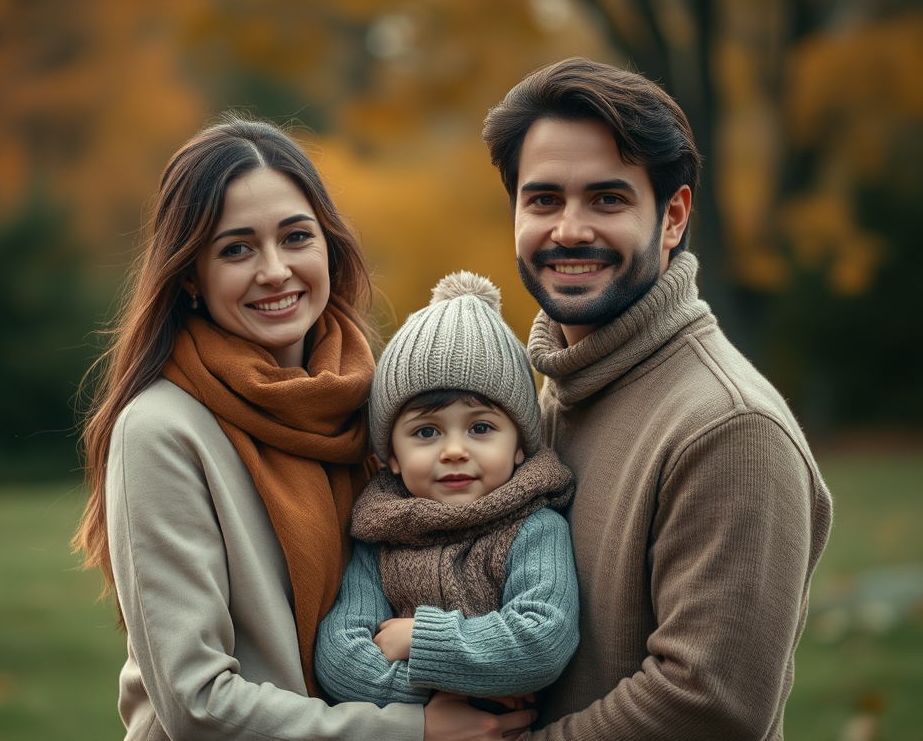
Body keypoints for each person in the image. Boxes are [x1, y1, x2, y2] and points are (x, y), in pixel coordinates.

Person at [72, 114, 537, 741]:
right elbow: (195, 702)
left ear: (328, 246)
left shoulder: (377, 406)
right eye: (236, 248)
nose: (274, 271)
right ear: (189, 275)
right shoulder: (161, 431)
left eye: (296, 237)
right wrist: (412, 731)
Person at [480, 57, 833, 740]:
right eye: (543, 199)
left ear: (671, 217)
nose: (570, 230)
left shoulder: (729, 426)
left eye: (608, 199)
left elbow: (709, 703)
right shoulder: (544, 400)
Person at [315, 271, 579, 708]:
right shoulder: (381, 538)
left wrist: (421, 639)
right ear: (391, 457)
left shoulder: (535, 529)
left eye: (480, 427)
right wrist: (438, 704)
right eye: (425, 432)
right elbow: (340, 656)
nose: (454, 450)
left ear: (519, 446)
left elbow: (543, 639)